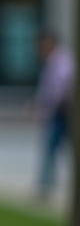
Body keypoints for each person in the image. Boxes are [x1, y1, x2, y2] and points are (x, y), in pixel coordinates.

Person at [32, 29, 75, 197]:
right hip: (56, 111)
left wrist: (52, 105)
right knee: (52, 148)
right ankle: (45, 183)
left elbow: (63, 86)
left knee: (52, 147)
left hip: (62, 112)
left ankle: (45, 184)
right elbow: (47, 88)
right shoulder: (52, 61)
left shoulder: (62, 61)